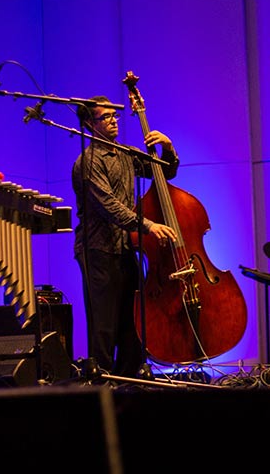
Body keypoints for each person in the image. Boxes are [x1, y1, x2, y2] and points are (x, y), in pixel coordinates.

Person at [72, 97, 179, 379]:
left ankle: (129, 381)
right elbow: (109, 206)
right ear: (89, 124)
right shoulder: (87, 162)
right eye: (105, 117)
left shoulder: (126, 154)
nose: (113, 120)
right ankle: (102, 383)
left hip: (124, 248)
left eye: (114, 116)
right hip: (98, 250)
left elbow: (164, 173)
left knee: (133, 322)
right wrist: (148, 225)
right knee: (104, 324)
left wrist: (167, 148)